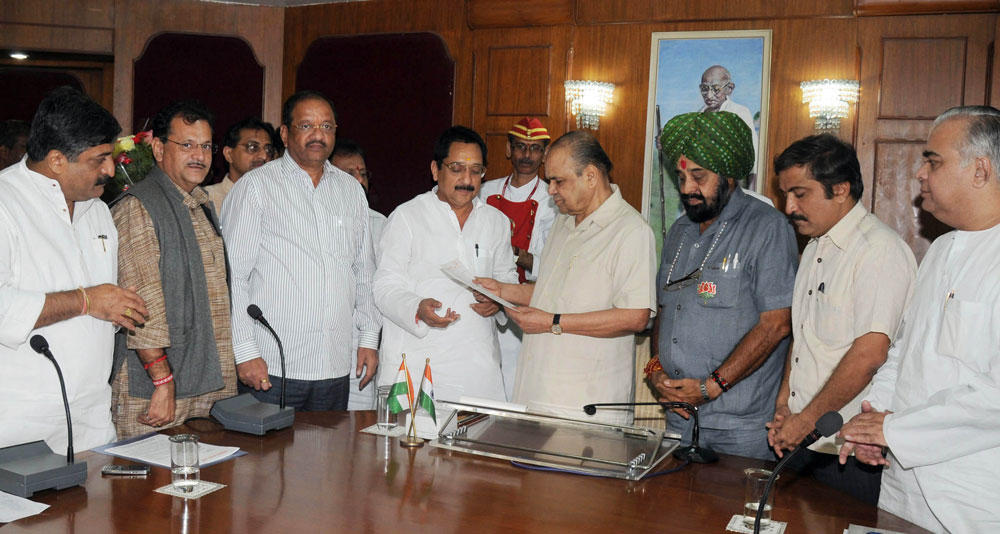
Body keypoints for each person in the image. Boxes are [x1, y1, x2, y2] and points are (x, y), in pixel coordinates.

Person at [839, 106, 1000, 533]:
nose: (920, 174)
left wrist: (894, 430)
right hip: (902, 487)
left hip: (973, 497)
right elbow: (904, 352)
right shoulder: (940, 251)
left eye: (933, 160)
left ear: (980, 170)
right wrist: (872, 421)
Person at [765, 134, 916, 505]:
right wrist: (785, 404)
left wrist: (807, 422)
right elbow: (803, 337)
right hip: (803, 440)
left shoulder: (877, 251)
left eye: (800, 194)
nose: (789, 207)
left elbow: (869, 355)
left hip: (849, 451)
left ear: (841, 189)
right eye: (786, 195)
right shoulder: (816, 246)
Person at [0, 86, 147, 452]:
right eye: (99, 159)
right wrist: (86, 301)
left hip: (91, 419)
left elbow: (102, 301)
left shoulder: (95, 207)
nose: (110, 170)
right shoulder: (6, 204)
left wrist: (116, 308)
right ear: (56, 160)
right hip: (18, 425)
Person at [477, 131, 656, 424]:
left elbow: (635, 316)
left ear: (590, 175)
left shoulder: (631, 231)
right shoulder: (562, 222)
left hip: (585, 404)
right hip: (536, 393)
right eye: (550, 182)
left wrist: (552, 323)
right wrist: (502, 290)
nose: (550, 191)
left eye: (558, 181)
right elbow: (551, 292)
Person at [649, 111, 796, 460]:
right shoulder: (680, 232)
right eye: (681, 176)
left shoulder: (768, 228)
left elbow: (776, 324)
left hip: (739, 429)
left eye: (698, 176)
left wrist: (711, 387)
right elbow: (666, 312)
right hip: (679, 419)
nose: (686, 188)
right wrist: (656, 373)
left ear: (730, 174)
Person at [223, 90, 380, 411]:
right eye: (306, 126)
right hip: (272, 365)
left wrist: (368, 339)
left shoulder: (351, 191)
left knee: (329, 461)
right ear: (285, 133)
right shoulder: (256, 187)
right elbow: (232, 277)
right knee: (267, 462)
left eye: (326, 127)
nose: (317, 135)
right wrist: (245, 351)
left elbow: (364, 272)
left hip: (335, 364)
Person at [110, 100, 237, 439]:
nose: (200, 155)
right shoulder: (139, 207)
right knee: (149, 489)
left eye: (206, 146)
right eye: (187, 145)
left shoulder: (200, 203)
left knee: (210, 484)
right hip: (158, 390)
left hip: (206, 378)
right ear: (157, 148)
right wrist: (163, 381)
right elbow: (139, 306)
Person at [374, 126, 517, 402]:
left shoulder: (495, 221)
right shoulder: (407, 216)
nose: (467, 179)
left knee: (477, 442)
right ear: (435, 170)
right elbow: (384, 286)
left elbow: (507, 278)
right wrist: (416, 307)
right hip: (419, 362)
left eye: (476, 170)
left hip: (478, 368)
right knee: (416, 443)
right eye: (457, 168)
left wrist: (497, 301)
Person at [478, 117, 558, 400]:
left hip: (526, 307)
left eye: (535, 149)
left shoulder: (552, 199)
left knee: (516, 388)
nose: (527, 155)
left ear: (545, 154)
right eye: (521, 147)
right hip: (483, 303)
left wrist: (521, 259)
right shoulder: (485, 191)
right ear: (508, 149)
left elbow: (555, 266)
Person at [330, 138, 386, 410]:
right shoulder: (314, 223)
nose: (358, 180)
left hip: (364, 347)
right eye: (349, 173)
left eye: (362, 173)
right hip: (320, 351)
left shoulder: (381, 224)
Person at [698, 65, 760, 184]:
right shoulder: (699, 114)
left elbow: (754, 157)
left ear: (729, 88)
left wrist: (753, 193)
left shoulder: (739, 112)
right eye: (705, 89)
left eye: (716, 89)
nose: (709, 95)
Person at [205, 116, 277, 215]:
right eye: (252, 147)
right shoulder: (206, 200)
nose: (264, 156)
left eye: (268, 150)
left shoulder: (277, 200)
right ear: (229, 154)